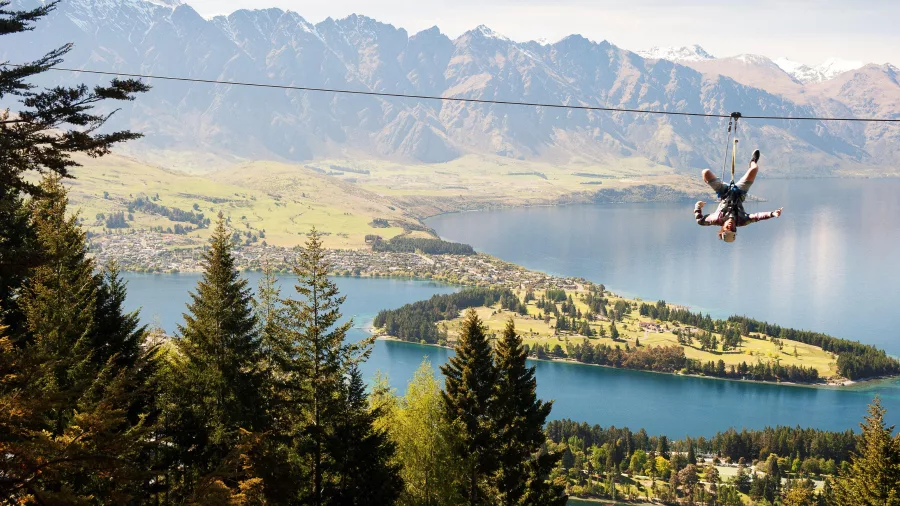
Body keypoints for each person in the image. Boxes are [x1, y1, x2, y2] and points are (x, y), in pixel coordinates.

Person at [695, 149, 783, 242]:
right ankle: (753, 161)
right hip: (740, 192)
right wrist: (773, 214)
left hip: (724, 192)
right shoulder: (742, 220)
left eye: (727, 229)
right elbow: (757, 217)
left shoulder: (716, 219)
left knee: (705, 172)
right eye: (732, 229)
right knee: (754, 169)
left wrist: (698, 207)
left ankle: (707, 180)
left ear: (722, 229)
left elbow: (700, 221)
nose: (730, 227)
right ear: (735, 229)